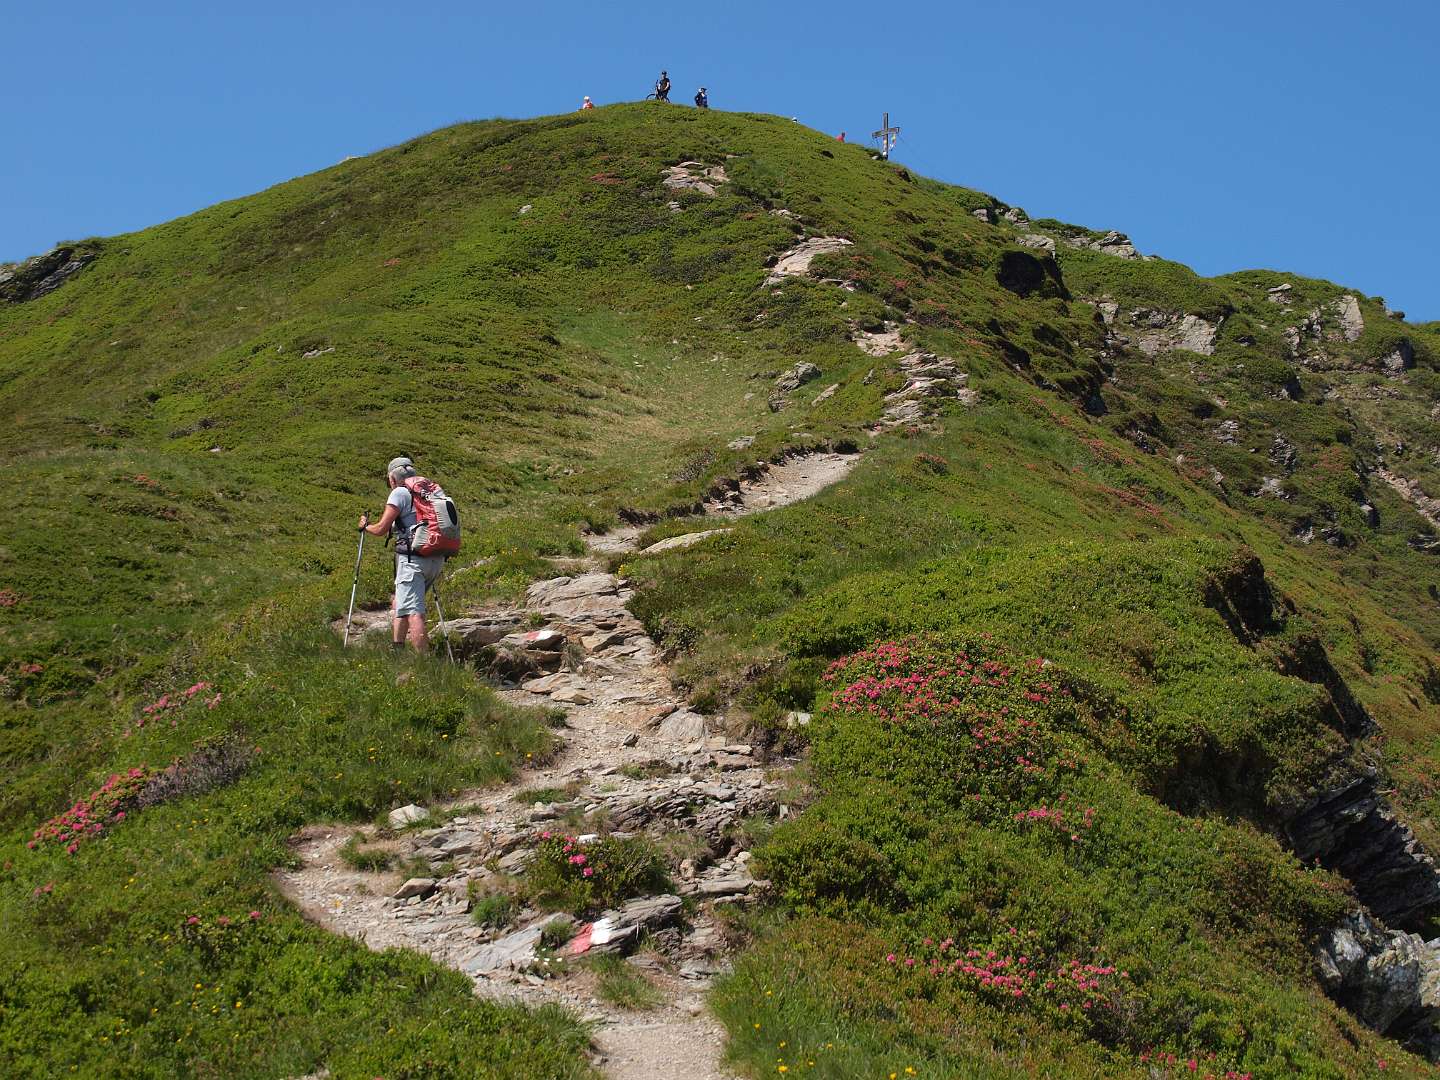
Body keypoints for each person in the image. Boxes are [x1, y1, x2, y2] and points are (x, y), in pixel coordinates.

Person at [358, 456, 444, 653]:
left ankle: (423, 663)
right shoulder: (429, 492)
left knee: (415, 612)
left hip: (413, 559)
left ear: (392, 478)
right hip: (436, 555)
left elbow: (381, 529)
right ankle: (397, 649)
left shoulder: (399, 492)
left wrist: (365, 526)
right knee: (401, 601)